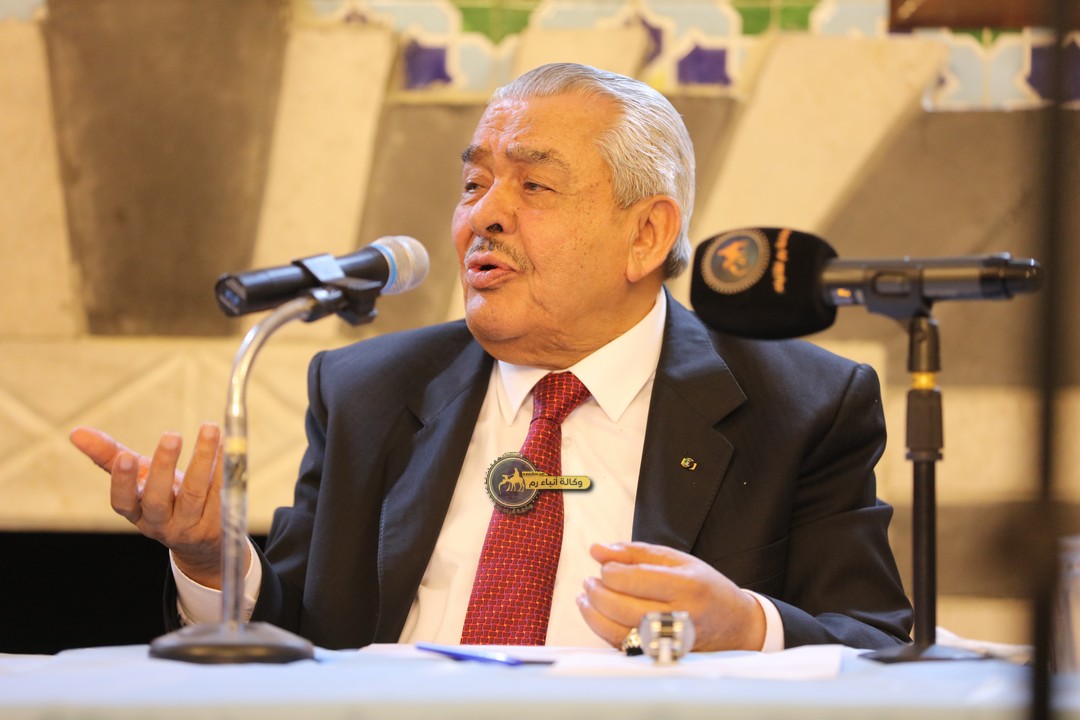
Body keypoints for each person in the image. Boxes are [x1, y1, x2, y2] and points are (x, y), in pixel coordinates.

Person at [71, 62, 912, 652]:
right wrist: (213, 564)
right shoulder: (368, 390)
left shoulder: (800, 407)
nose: (484, 216)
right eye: (474, 184)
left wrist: (748, 626)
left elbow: (875, 644)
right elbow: (303, 635)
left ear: (647, 234)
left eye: (533, 186)